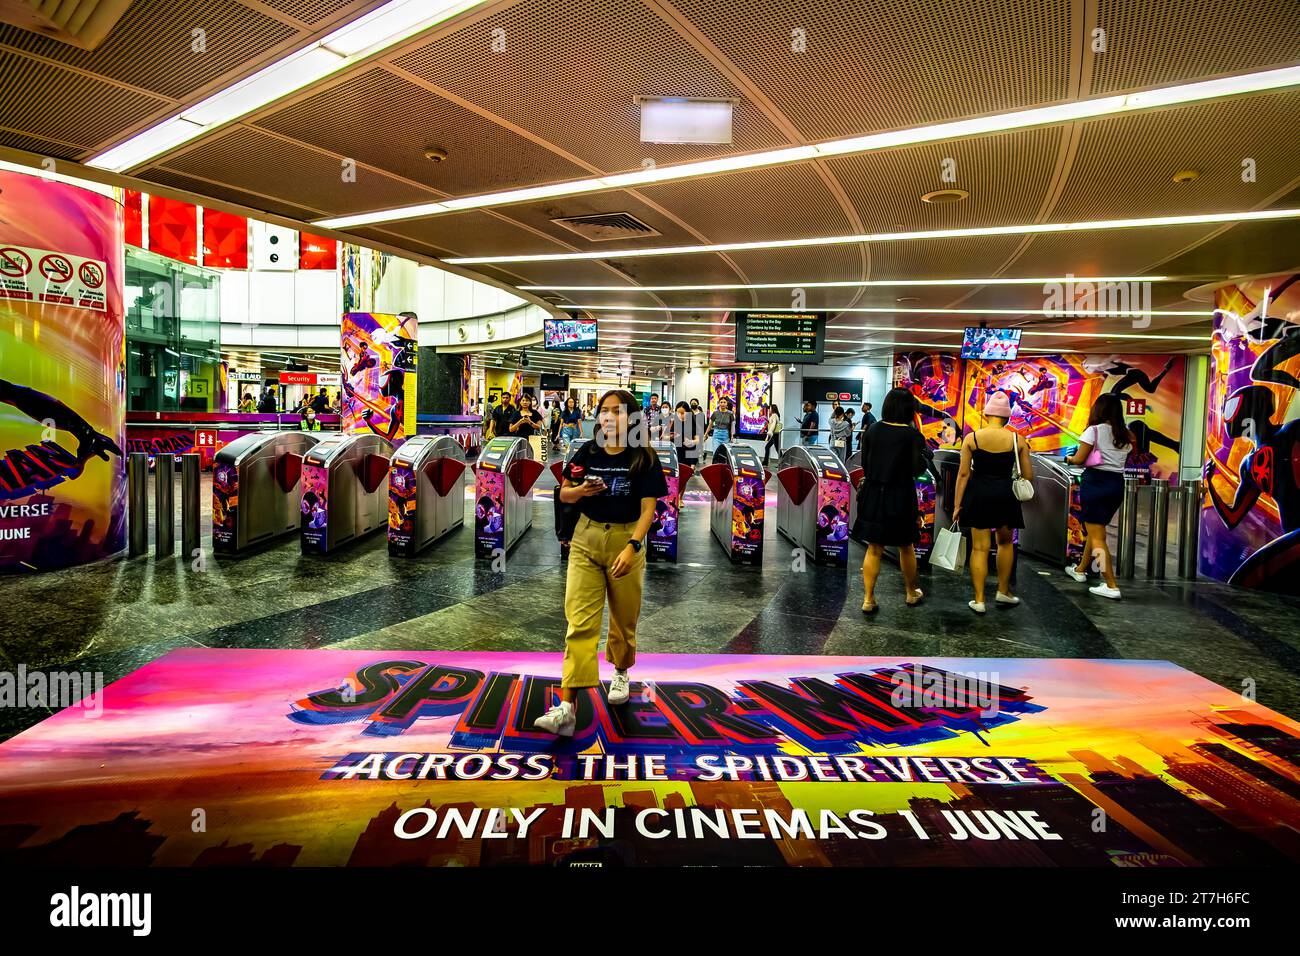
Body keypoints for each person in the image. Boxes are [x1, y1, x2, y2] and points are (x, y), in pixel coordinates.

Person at [534, 390, 668, 736]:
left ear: (632, 418)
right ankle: (567, 708)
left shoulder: (644, 458)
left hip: (626, 542)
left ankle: (621, 671)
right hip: (585, 540)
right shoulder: (587, 451)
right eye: (604, 411)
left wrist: (633, 546)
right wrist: (581, 492)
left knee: (624, 619)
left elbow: (648, 508)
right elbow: (564, 491)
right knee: (579, 622)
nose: (608, 417)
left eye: (617, 412)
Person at [953, 392, 1034, 613]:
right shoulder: (1018, 440)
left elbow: (963, 475)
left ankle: (979, 600)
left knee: (979, 548)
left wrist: (957, 505)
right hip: (1005, 495)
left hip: (978, 494)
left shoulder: (972, 439)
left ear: (987, 413)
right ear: (1007, 417)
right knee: (1005, 544)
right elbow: (1028, 474)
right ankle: (1003, 591)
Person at [856, 388, 928, 612]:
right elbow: (918, 469)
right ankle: (910, 592)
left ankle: (868, 599)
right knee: (906, 546)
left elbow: (865, 464)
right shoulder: (912, 435)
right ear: (909, 409)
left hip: (874, 493)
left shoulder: (873, 430)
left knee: (874, 548)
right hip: (901, 495)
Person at [1065, 393, 1132, 600]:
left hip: (1095, 484)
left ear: (1098, 410)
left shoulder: (1093, 431)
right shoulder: (1125, 434)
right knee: (1096, 531)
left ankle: (1111, 584)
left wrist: (1069, 458)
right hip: (1116, 485)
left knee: (1097, 536)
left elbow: (1079, 459)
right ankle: (1080, 570)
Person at [673, 401, 700, 467]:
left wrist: (692, 442)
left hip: (689, 455)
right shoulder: (674, 422)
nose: (680, 415)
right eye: (678, 413)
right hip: (677, 453)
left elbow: (698, 440)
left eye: (682, 413)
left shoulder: (692, 423)